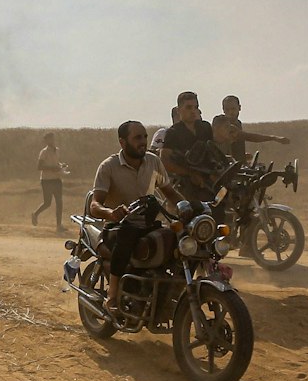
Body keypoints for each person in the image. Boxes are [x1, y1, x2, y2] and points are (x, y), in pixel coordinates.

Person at [89, 120, 178, 311]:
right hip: (118, 226)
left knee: (173, 237)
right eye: (137, 138)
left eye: (145, 136)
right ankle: (113, 294)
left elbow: (170, 192)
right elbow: (94, 205)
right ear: (123, 142)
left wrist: (190, 208)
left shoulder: (153, 161)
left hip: (147, 224)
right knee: (127, 234)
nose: (143, 141)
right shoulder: (109, 166)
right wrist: (111, 213)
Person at [160, 91, 221, 201]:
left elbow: (212, 152)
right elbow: (165, 161)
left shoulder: (205, 127)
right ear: (179, 110)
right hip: (186, 182)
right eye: (188, 107)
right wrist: (189, 173)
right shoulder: (173, 132)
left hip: (210, 178)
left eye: (195, 107)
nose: (193, 111)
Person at [219, 94, 289, 160]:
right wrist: (273, 138)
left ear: (239, 108)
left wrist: (242, 155)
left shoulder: (237, 123)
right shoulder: (222, 124)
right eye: (227, 109)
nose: (230, 112)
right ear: (223, 110)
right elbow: (248, 136)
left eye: (233, 109)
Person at [31, 132, 65, 228]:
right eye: (50, 139)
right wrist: (52, 168)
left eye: (53, 138)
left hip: (56, 179)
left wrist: (61, 166)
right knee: (47, 203)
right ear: (46, 141)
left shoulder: (57, 150)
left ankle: (59, 226)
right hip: (46, 180)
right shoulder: (44, 152)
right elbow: (39, 166)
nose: (52, 141)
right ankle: (35, 214)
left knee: (59, 202)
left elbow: (56, 162)